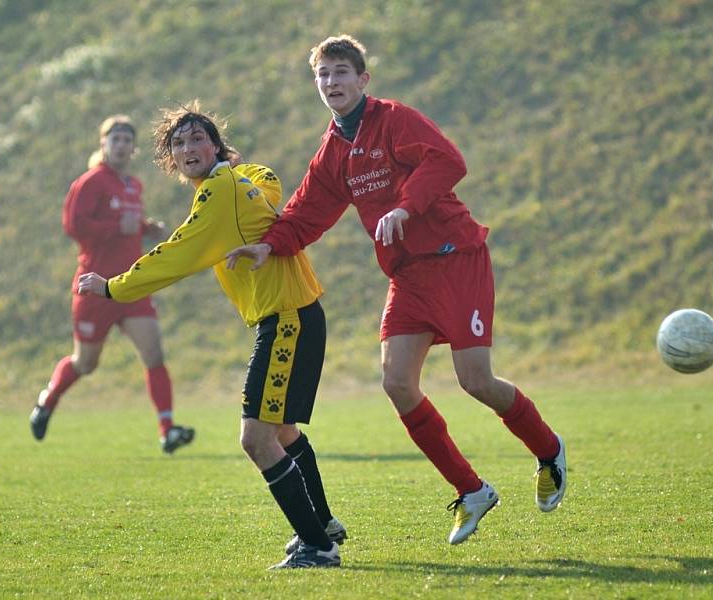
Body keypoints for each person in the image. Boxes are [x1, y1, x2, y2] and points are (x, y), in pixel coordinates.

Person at [226, 34, 568, 545]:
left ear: (363, 80)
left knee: (476, 380)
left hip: (457, 259)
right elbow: (304, 212)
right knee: (397, 383)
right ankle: (471, 491)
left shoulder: (395, 120)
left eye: (341, 72)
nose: (331, 82)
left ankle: (548, 450)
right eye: (323, 75)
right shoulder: (333, 152)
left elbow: (448, 161)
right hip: (409, 277)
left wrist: (406, 206)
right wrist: (269, 246)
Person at [76, 102, 345, 569]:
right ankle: (320, 525)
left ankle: (319, 547)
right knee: (280, 431)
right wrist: (245, 178)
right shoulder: (238, 182)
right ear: (171, 160)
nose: (187, 147)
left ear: (217, 147)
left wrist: (113, 287)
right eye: (178, 144)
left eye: (197, 138)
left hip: (287, 318)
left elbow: (175, 254)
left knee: (256, 439)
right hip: (296, 315)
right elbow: (267, 178)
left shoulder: (218, 192)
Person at [30, 115, 194, 454]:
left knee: (154, 353)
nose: (121, 144)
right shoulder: (90, 182)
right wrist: (117, 226)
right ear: (103, 144)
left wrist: (147, 228)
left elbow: (128, 225)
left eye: (126, 140)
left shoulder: (133, 185)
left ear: (133, 149)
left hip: (129, 285)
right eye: (115, 138)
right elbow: (74, 226)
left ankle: (168, 430)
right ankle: (47, 401)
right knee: (85, 363)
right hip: (93, 286)